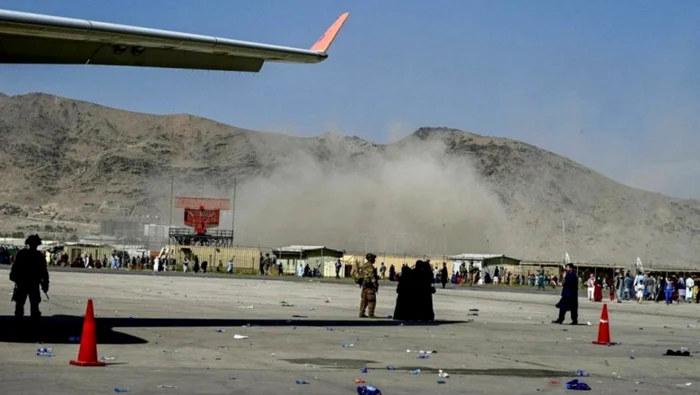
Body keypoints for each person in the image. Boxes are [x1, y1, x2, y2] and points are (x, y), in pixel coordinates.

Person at [10, 234, 49, 321]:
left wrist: (15, 277)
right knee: (33, 306)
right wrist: (45, 284)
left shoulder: (22, 254)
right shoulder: (39, 256)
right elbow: (44, 273)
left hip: (23, 283)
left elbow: (15, 268)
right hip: (32, 284)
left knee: (20, 305)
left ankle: (18, 324)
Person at [355, 253, 379, 318]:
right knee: (371, 300)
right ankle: (371, 314)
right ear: (371, 259)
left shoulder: (364, 266)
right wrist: (375, 285)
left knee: (364, 301)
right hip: (370, 287)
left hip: (364, 287)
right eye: (374, 259)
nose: (375, 260)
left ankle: (361, 313)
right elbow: (371, 276)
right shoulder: (370, 266)